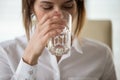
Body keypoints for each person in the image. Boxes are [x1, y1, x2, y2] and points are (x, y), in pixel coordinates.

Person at [0, 0, 117, 80]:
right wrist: (29, 58)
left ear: (77, 7)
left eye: (68, 6)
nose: (58, 15)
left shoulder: (102, 54)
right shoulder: (5, 52)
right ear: (31, 8)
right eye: (47, 7)